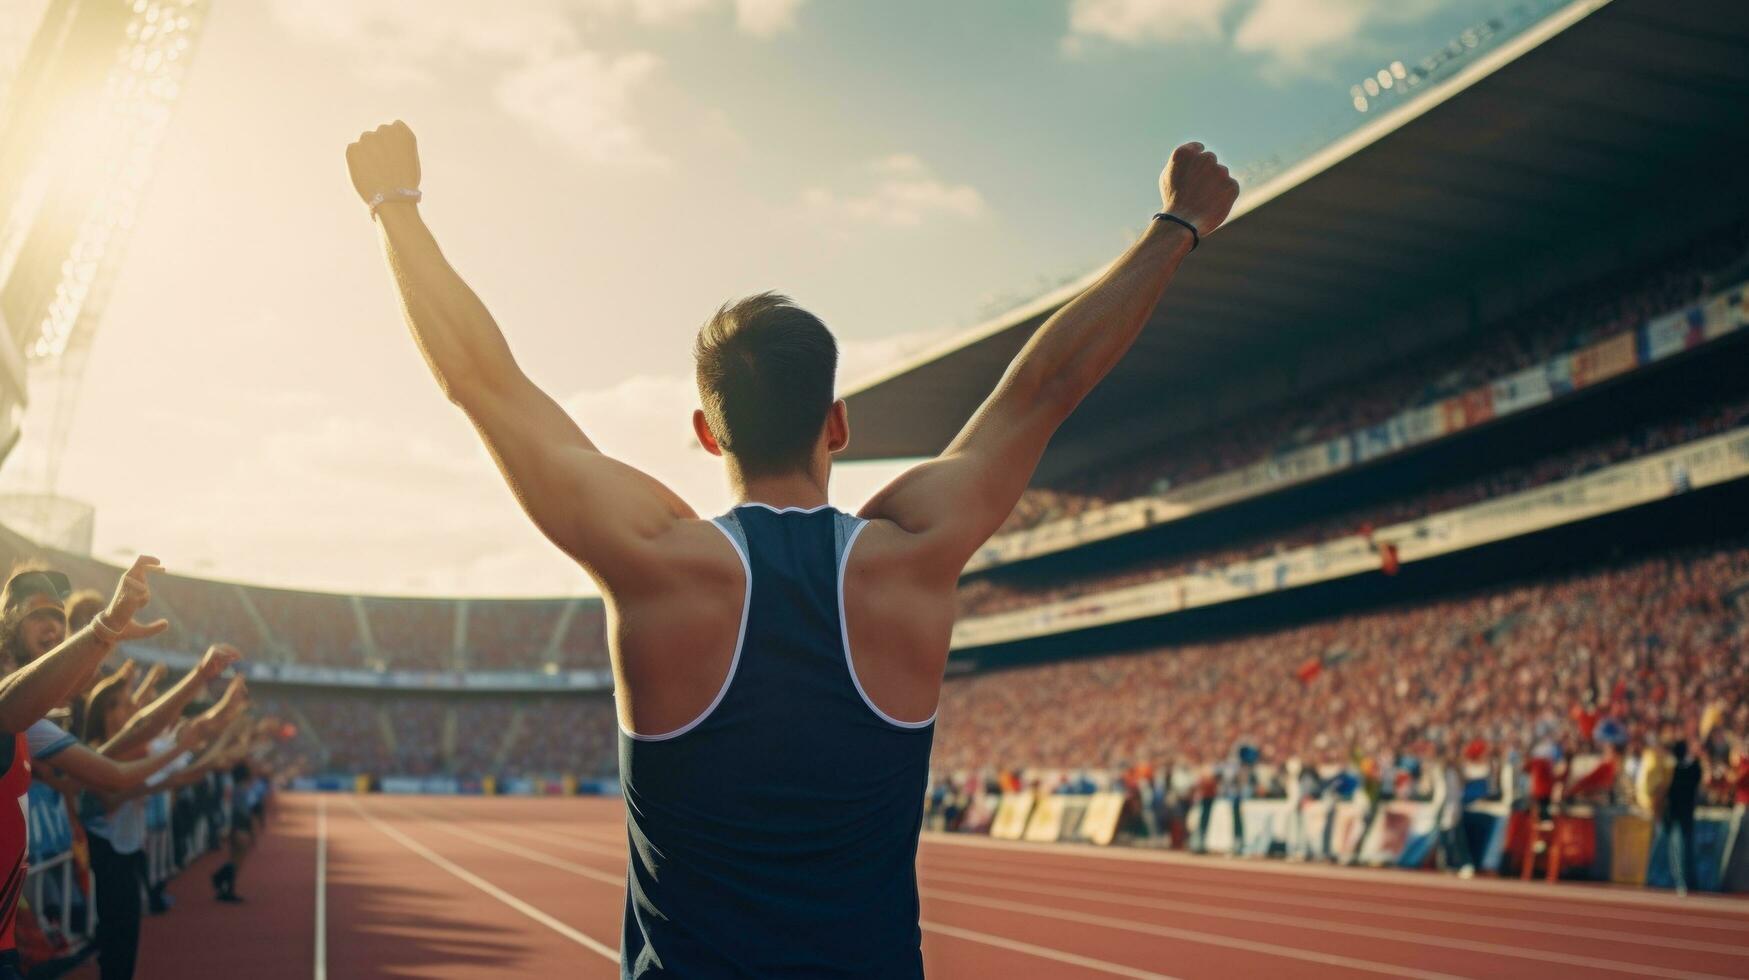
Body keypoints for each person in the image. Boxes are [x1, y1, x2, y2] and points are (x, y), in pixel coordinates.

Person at [347, 119, 1238, 977]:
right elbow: (1042, 389)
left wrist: (396, 203)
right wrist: (1176, 227)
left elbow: (482, 382)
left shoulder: (656, 562)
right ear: (839, 423)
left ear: (706, 431)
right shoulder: (911, 555)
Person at [0, 559, 168, 980]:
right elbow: (17, 698)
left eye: (58, 618)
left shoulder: (31, 722)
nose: (54, 628)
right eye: (38, 616)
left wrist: (105, 639)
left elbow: (60, 688)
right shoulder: (11, 708)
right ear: (5, 626)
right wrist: (106, 626)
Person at [1662, 738, 1703, 896]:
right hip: (1679, 815)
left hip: (1681, 815)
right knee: (1680, 851)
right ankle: (1683, 882)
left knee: (1681, 851)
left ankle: (1684, 882)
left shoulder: (1686, 768)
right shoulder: (1679, 768)